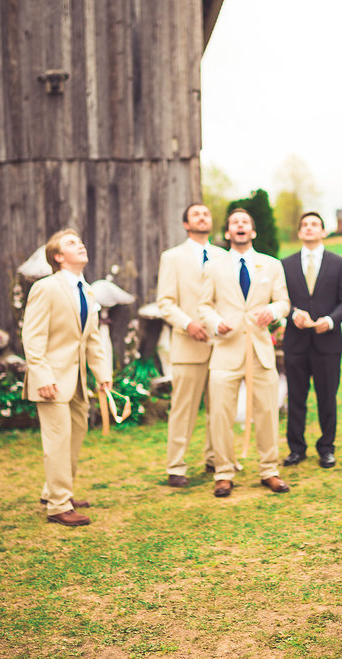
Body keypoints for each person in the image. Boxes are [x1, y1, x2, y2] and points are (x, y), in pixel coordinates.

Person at [22, 229, 112, 526]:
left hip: (77, 382)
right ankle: (58, 505)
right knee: (58, 441)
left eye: (80, 241)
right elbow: (32, 337)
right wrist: (42, 375)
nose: (81, 245)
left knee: (74, 437)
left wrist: (102, 373)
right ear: (58, 257)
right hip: (51, 380)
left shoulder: (86, 290)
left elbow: (93, 338)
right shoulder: (46, 288)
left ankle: (56, 491)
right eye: (72, 243)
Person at [198, 209, 290, 498]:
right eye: (234, 223)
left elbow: (284, 302)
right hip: (225, 351)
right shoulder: (213, 266)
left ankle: (269, 471)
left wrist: (272, 311)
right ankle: (223, 473)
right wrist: (214, 323)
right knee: (221, 415)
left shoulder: (271, 265)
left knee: (267, 413)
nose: (240, 226)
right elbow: (203, 306)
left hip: (261, 351)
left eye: (245, 223)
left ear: (253, 231)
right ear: (228, 233)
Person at [156, 203, 226, 487]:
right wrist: (188, 324)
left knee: (220, 407)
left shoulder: (223, 257)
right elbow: (165, 302)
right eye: (196, 214)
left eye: (206, 213)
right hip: (188, 344)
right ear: (186, 224)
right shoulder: (172, 257)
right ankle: (176, 467)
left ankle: (216, 459)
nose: (202, 217)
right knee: (183, 408)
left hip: (222, 346)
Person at [281, 211, 342, 469]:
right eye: (305, 225)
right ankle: (296, 449)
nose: (309, 228)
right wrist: (291, 314)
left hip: (328, 343)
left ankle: (327, 448)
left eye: (315, 224)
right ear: (300, 232)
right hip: (296, 343)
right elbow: (280, 301)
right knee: (296, 398)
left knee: (327, 399)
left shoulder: (339, 263)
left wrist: (330, 321)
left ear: (324, 231)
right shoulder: (285, 264)